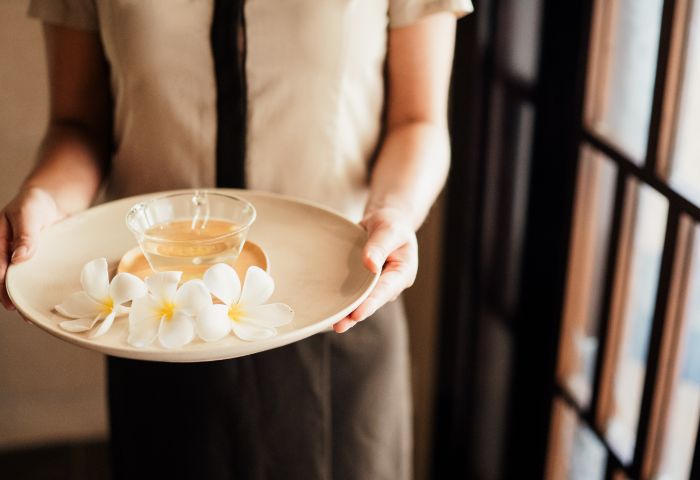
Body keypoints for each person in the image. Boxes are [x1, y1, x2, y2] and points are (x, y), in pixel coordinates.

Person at [0, 0, 472, 478]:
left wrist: (394, 212)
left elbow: (419, 121)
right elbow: (78, 124)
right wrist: (44, 199)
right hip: (155, 321)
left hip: (342, 308)